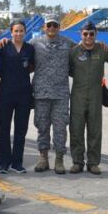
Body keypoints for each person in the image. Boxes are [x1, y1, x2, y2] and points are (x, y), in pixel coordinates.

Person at [68, 21, 108, 175]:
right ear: (80, 34)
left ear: (96, 34)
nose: (88, 37)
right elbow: (67, 69)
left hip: (96, 96)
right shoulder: (74, 52)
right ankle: (77, 162)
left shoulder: (101, 50)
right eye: (85, 34)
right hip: (78, 96)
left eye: (91, 34)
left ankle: (93, 163)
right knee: (76, 129)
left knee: (95, 130)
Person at [30, 15, 75, 175]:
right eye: (49, 25)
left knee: (60, 127)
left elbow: (84, 49)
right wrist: (5, 42)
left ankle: (59, 159)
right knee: (42, 126)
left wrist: (99, 45)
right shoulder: (35, 43)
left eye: (55, 26)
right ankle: (43, 158)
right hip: (41, 93)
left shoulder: (68, 43)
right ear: (44, 27)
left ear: (59, 27)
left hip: (61, 94)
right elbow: (19, 50)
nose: (51, 28)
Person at [0, 20, 35, 174]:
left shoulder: (30, 49)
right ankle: (4, 163)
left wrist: (19, 75)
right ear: (11, 32)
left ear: (25, 32)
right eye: (16, 31)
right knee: (4, 128)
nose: (18, 34)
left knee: (21, 129)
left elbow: (32, 66)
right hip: (6, 93)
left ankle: (17, 163)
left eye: (21, 31)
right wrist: (9, 77)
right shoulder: (3, 46)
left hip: (24, 94)